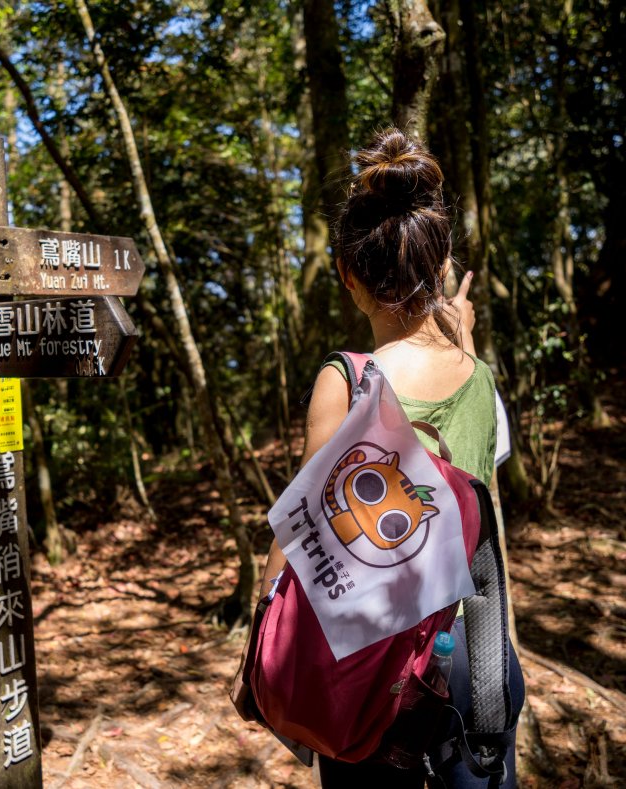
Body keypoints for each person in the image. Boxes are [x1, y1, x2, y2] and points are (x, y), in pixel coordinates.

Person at [253, 127, 524, 788]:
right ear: (444, 261)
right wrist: (459, 341)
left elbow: (298, 535)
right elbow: (477, 496)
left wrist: (264, 638)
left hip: (374, 672)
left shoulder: (345, 380)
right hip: (477, 661)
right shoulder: (481, 377)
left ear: (349, 275)